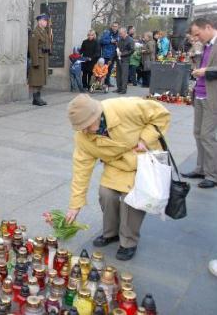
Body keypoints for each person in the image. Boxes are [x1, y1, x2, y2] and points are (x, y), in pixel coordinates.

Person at [65, 94, 171, 260]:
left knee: (132, 198)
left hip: (142, 162)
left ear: (96, 116)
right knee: (106, 193)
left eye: (86, 125)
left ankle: (128, 241)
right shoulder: (83, 137)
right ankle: (111, 232)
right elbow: (81, 169)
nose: (84, 131)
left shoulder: (124, 107)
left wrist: (145, 138)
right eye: (80, 128)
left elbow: (161, 114)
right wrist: (75, 204)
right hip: (117, 165)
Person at [181, 18, 217, 189]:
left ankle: (212, 174)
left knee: (207, 135)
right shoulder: (206, 45)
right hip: (200, 93)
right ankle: (201, 168)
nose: (196, 38)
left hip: (213, 96)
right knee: (198, 133)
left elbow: (210, 69)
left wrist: (205, 71)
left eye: (198, 34)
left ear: (208, 27)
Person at [28, 14, 51, 106]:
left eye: (46, 21)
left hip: (43, 58)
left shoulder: (44, 31)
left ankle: (38, 97)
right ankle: (35, 98)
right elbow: (33, 48)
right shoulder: (35, 32)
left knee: (41, 80)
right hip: (38, 58)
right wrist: (35, 61)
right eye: (44, 20)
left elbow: (47, 42)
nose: (46, 22)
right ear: (39, 21)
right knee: (36, 80)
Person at [113, 27, 134, 94]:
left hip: (125, 60)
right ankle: (119, 88)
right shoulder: (120, 39)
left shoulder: (130, 40)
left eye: (121, 33)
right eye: (119, 33)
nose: (119, 34)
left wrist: (122, 54)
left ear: (125, 32)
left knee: (124, 75)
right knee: (118, 75)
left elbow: (132, 50)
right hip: (118, 59)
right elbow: (118, 48)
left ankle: (123, 90)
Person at [100, 22, 120, 87]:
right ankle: (103, 83)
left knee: (110, 69)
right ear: (111, 27)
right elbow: (101, 41)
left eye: (116, 26)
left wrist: (117, 42)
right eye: (113, 26)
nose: (114, 27)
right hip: (106, 54)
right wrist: (110, 41)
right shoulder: (107, 32)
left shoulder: (118, 34)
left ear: (118, 27)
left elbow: (119, 41)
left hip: (113, 54)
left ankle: (107, 82)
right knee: (105, 69)